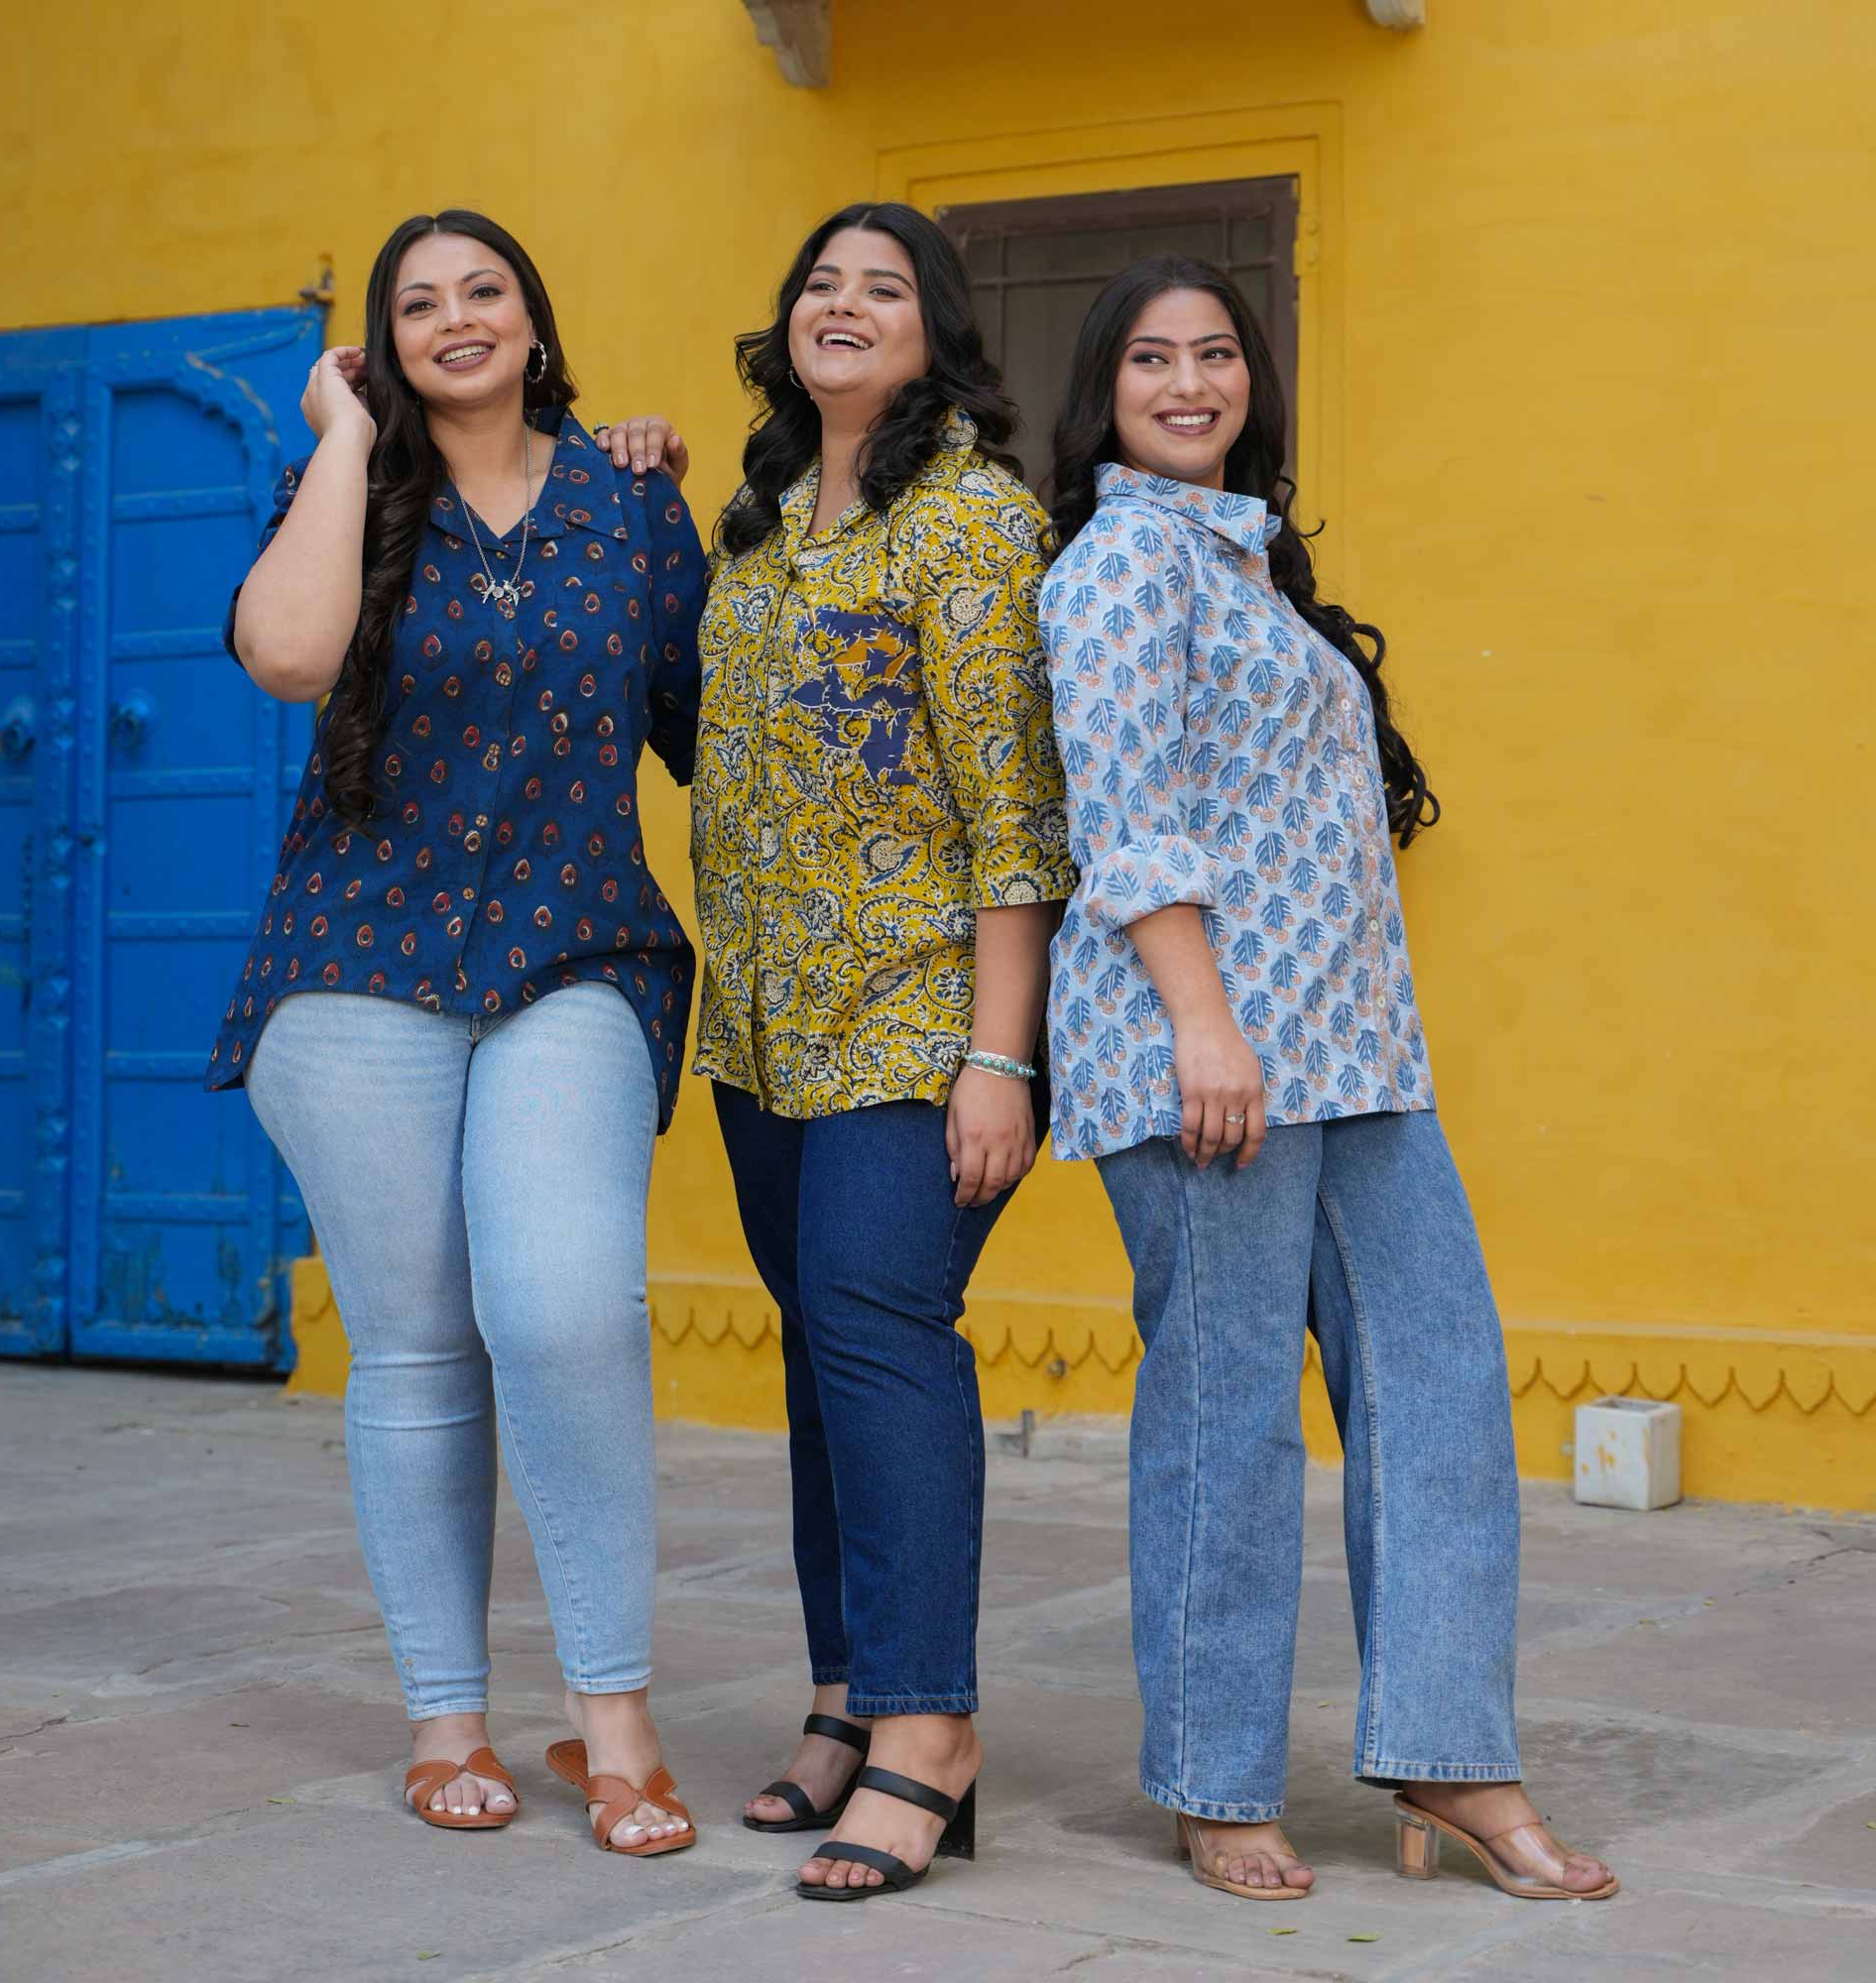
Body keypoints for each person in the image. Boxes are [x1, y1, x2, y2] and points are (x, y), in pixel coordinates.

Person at [1039, 256, 1618, 1904]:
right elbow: (1128, 812)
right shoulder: (1118, 568)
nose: (1189, 381)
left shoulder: (1252, 566)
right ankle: (1216, 1778)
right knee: (1226, 1416)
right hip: (1206, 1053)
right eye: (1151, 358)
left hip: (1356, 1050)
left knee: (1437, 1380)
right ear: (1107, 391)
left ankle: (1450, 1753)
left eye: (1217, 353)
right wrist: (1203, 1020)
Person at [208, 208, 703, 1855]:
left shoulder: (634, 498)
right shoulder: (353, 491)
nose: (456, 318)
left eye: (484, 289)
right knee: (416, 1343)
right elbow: (287, 652)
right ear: (382, 341)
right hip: (355, 966)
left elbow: (718, 726)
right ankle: (447, 1716)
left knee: (563, 1315)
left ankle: (610, 1719)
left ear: (535, 316)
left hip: (575, 953)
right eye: (417, 304)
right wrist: (346, 441)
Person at [652, 199, 1074, 1901]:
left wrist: (1002, 1056)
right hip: (761, 1030)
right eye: (819, 281)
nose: (843, 304)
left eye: (881, 288)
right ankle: (844, 1692)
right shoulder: (752, 524)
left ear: (933, 331)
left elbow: (1018, 814)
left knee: (881, 1333)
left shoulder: (972, 522)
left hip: (913, 1024)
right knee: (825, 1354)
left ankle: (926, 1735)